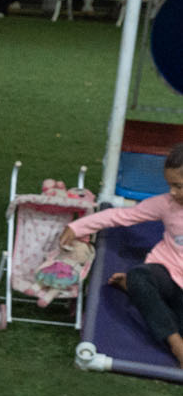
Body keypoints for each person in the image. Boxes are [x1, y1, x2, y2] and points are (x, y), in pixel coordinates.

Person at [61, 144, 183, 367]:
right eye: (170, 185)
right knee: (139, 276)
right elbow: (120, 216)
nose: (173, 192)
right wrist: (77, 227)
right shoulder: (166, 204)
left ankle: (137, 291)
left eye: (178, 186)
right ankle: (175, 344)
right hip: (167, 273)